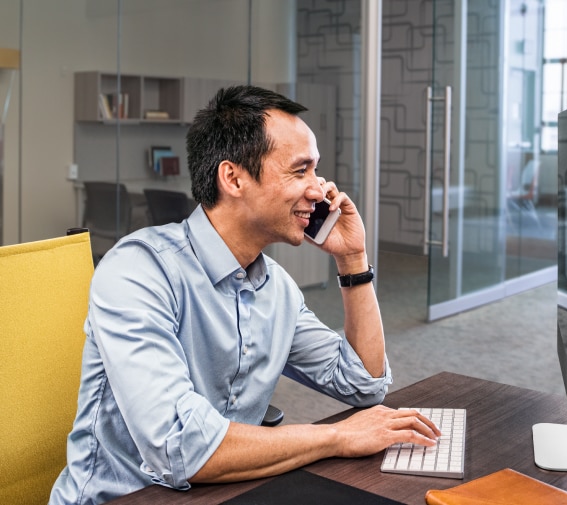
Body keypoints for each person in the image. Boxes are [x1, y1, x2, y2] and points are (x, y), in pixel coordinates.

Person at [49, 85, 440, 505]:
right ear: (233, 178)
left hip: (229, 490)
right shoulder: (139, 271)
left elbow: (364, 384)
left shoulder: (276, 288)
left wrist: (353, 259)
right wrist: (336, 436)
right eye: (300, 170)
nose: (320, 189)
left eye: (316, 170)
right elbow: (180, 447)